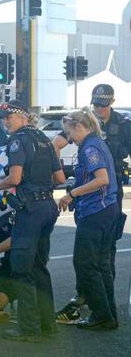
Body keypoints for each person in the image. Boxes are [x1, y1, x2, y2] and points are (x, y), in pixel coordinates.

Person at [0, 100, 65, 342]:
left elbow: (14, 178)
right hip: (48, 206)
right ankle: (49, 325)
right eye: (3, 118)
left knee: (22, 269)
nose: (6, 122)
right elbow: (59, 177)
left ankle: (29, 329)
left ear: (23, 116)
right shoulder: (44, 139)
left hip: (31, 210)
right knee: (39, 267)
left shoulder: (17, 141)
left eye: (9, 117)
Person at [52, 84, 129, 324]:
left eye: (70, 133)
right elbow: (56, 144)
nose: (70, 140)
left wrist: (71, 194)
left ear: (79, 127)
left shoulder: (90, 147)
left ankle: (100, 314)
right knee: (102, 263)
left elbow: (102, 179)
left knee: (85, 263)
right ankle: (108, 315)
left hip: (97, 209)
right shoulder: (96, 141)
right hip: (107, 208)